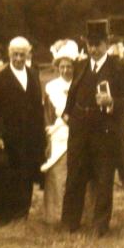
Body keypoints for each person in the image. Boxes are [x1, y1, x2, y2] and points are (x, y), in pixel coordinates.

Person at [61, 29, 124, 235]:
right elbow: (73, 93)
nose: (93, 49)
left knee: (104, 179)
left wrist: (113, 102)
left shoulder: (119, 68)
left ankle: (100, 225)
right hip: (79, 130)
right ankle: (70, 222)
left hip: (106, 132)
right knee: (75, 176)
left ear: (107, 44)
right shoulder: (80, 66)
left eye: (98, 44)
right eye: (90, 45)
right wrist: (67, 113)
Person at [0, 37, 46, 222]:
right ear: (9, 54)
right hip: (8, 136)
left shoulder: (34, 75)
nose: (19, 58)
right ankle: (7, 215)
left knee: (27, 174)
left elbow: (38, 107)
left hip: (30, 136)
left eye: (22, 54)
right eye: (15, 54)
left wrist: (41, 135)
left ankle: (23, 213)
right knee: (8, 176)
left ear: (28, 54)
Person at [41, 39, 78, 225]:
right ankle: (54, 216)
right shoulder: (51, 87)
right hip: (58, 134)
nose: (65, 70)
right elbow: (47, 115)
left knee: (77, 175)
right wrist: (49, 138)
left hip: (78, 134)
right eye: (62, 66)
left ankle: (78, 216)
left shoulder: (81, 83)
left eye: (69, 66)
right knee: (57, 174)